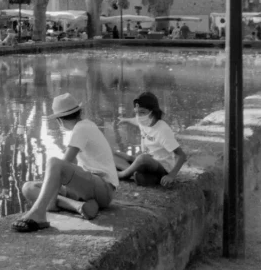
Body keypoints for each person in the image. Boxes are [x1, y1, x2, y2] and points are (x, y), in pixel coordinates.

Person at [12, 92, 118, 233]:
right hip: (87, 189)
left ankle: (39, 213)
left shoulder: (82, 128)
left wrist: (52, 192)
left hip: (103, 188)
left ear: (59, 120)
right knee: (28, 187)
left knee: (54, 163)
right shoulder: (84, 126)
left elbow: (63, 164)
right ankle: (77, 206)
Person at [115, 92, 187, 188]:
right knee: (114, 154)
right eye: (137, 112)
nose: (139, 116)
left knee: (142, 158)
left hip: (162, 167)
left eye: (142, 112)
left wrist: (171, 175)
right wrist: (125, 120)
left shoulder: (162, 130)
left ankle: (122, 175)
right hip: (147, 161)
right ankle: (139, 174)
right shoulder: (143, 121)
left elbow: (181, 155)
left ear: (153, 111)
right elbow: (135, 120)